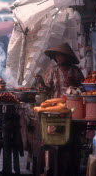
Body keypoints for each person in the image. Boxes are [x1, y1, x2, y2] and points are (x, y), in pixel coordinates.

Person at [35, 42, 85, 176]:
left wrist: (76, 85)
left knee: (72, 139)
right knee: (53, 138)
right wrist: (40, 83)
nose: (58, 58)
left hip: (73, 110)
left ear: (67, 57)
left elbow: (84, 90)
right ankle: (50, 168)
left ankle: (71, 168)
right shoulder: (52, 70)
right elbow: (47, 90)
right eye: (56, 56)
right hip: (55, 109)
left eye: (60, 55)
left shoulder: (76, 71)